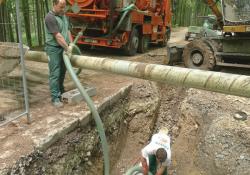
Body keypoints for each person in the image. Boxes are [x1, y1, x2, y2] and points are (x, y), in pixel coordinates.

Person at [44, 0, 72, 107]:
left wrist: (71, 44)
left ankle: (61, 90)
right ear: (54, 4)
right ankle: (55, 97)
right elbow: (58, 36)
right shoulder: (50, 18)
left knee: (63, 71)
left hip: (63, 47)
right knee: (55, 73)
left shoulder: (63, 15)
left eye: (64, 7)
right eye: (61, 7)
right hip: (54, 49)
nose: (63, 9)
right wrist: (67, 48)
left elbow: (68, 30)